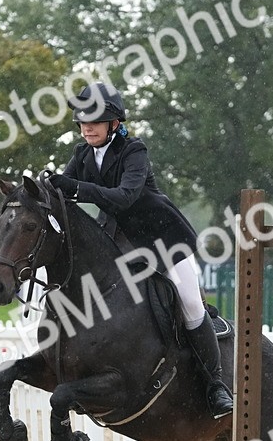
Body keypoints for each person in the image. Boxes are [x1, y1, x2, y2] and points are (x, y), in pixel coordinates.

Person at [50, 82, 233, 419]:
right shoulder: (81, 154)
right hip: (118, 241)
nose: (87, 127)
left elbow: (123, 198)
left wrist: (75, 187)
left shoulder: (135, 151)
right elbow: (63, 194)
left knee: (191, 302)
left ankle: (216, 385)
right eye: (83, 121)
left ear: (114, 124)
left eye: (95, 120)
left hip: (163, 239)